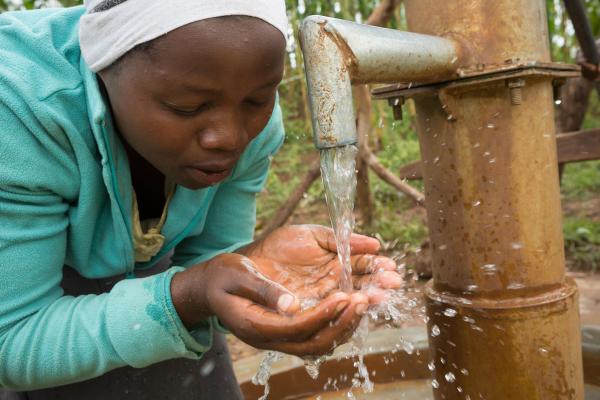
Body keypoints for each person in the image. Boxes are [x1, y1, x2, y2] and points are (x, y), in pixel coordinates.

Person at [0, 0, 403, 398]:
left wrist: (253, 269)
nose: (230, 137)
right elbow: (12, 338)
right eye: (187, 106)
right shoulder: (22, 111)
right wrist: (189, 294)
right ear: (104, 66)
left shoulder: (252, 122)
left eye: (257, 101)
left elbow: (209, 265)